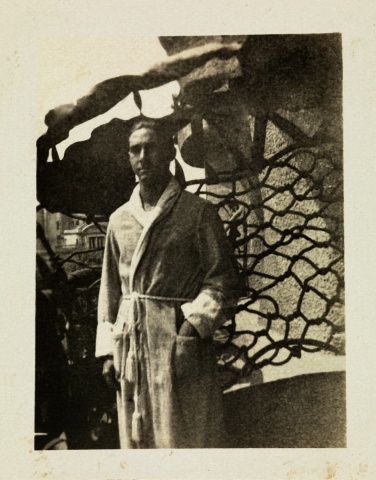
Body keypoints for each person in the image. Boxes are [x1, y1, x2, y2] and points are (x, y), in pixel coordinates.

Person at [95, 117, 243, 448]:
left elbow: (223, 278)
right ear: (128, 157)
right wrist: (107, 351)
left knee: (186, 434)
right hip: (131, 342)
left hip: (179, 339)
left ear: (169, 153)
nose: (143, 157)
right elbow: (110, 289)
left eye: (151, 148)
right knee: (139, 435)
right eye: (135, 149)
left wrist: (190, 329)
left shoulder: (198, 213)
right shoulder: (119, 220)